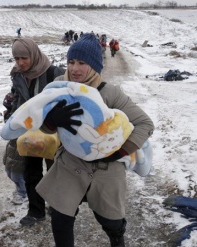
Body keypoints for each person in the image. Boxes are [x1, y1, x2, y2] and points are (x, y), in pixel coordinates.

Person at [37, 33, 154, 246]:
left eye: (82, 63)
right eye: (71, 62)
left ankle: (117, 237)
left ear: (94, 66)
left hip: (106, 168)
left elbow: (145, 124)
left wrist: (119, 153)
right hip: (70, 163)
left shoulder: (110, 93)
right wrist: (51, 121)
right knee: (60, 217)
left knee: (110, 221)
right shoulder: (59, 87)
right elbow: (43, 126)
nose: (74, 69)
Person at [9, 38, 65, 226]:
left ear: (33, 54)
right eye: (16, 58)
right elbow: (17, 99)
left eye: (24, 57)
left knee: (54, 172)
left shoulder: (54, 73)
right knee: (30, 173)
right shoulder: (17, 75)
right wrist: (10, 112)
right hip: (28, 133)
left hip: (52, 133)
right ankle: (36, 211)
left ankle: (58, 208)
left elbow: (66, 100)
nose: (20, 62)